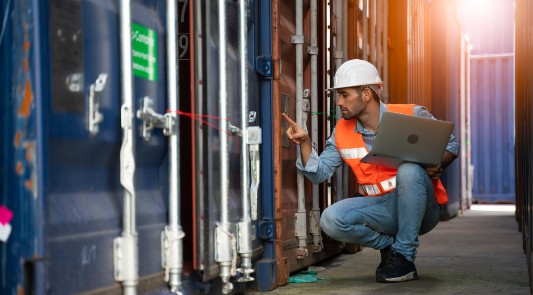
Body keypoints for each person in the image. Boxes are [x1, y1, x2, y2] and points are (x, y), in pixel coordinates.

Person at [282, 59, 460, 283]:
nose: (338, 102)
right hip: (380, 208)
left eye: (345, 95)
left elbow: (452, 145)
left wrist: (439, 163)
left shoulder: (411, 114)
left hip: (423, 209)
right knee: (330, 219)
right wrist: (306, 143)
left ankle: (405, 257)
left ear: (366, 93)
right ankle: (390, 249)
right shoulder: (341, 131)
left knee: (410, 170)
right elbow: (319, 173)